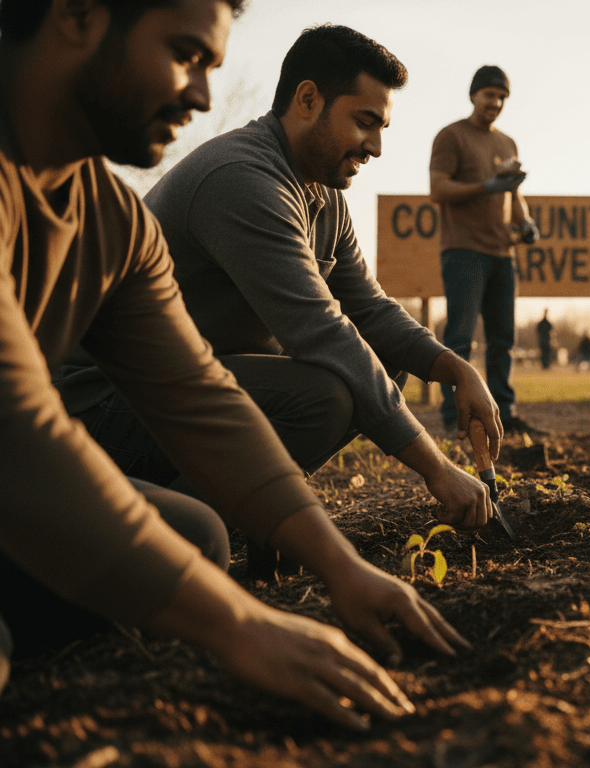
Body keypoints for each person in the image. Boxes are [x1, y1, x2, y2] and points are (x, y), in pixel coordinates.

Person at [0, 0, 469, 729]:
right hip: (44, 442)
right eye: (186, 54)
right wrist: (234, 626)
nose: (204, 97)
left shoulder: (110, 219)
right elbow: (17, 429)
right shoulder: (237, 179)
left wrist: (340, 567)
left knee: (199, 538)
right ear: (76, 14)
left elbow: (200, 396)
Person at [57, 25, 499, 552]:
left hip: (185, 390)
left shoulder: (321, 190)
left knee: (378, 362)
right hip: (103, 398)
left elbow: (369, 309)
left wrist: (456, 369)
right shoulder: (242, 178)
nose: (377, 147)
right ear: (308, 99)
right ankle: (166, 539)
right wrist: (436, 469)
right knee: (323, 399)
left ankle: (227, 514)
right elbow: (321, 332)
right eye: (365, 123)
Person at [431, 64, 545, 437]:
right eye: (489, 95)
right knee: (460, 337)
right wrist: (486, 186)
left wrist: (525, 224)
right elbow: (438, 189)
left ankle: (503, 413)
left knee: (503, 339)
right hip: (463, 250)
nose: (495, 102)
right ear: (473, 95)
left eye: (501, 97)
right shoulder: (451, 136)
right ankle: (454, 415)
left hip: (502, 253)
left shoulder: (507, 142)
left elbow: (514, 194)